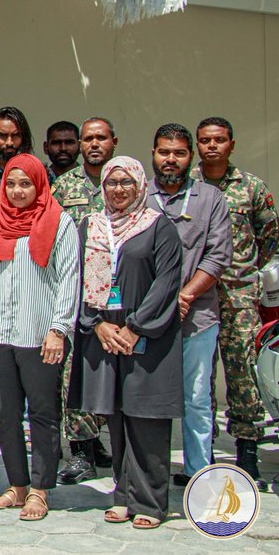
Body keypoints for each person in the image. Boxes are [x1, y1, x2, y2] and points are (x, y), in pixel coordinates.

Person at [70, 156, 182, 529]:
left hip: (147, 335)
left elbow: (166, 282)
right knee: (115, 416)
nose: (118, 190)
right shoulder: (92, 226)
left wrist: (136, 328)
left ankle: (150, 502)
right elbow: (79, 278)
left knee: (145, 419)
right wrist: (97, 324)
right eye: (111, 183)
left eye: (126, 183)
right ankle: (123, 495)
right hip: (105, 333)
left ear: (139, 185)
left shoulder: (157, 226)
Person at [0, 154, 79, 522]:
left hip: (40, 335)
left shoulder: (59, 222)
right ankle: (16, 486)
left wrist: (58, 328)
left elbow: (69, 279)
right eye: (11, 184)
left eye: (26, 184)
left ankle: (40, 489)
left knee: (43, 414)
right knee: (4, 415)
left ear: (39, 184)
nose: (18, 191)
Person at [193, 116, 279, 484]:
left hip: (239, 296)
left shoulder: (251, 188)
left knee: (243, 374)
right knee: (200, 377)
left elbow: (270, 236)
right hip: (198, 295)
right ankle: (204, 454)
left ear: (232, 144)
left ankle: (247, 453)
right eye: (205, 140)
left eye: (219, 140)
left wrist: (247, 273)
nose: (212, 146)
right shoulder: (188, 184)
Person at [146, 124, 231, 486]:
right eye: (164, 151)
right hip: (147, 320)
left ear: (189, 157)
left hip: (197, 317)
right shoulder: (138, 195)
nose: (171, 159)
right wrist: (157, 305)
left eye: (179, 153)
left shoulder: (211, 198)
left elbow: (217, 256)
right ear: (153, 153)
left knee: (197, 398)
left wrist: (182, 297)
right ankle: (152, 474)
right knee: (149, 399)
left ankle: (198, 472)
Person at [51, 116, 117, 477]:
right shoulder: (64, 186)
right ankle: (81, 450)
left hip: (119, 295)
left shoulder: (125, 180)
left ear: (113, 141)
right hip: (76, 294)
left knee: (110, 370)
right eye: (88, 139)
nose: (94, 145)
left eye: (101, 138)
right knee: (74, 372)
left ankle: (102, 442)